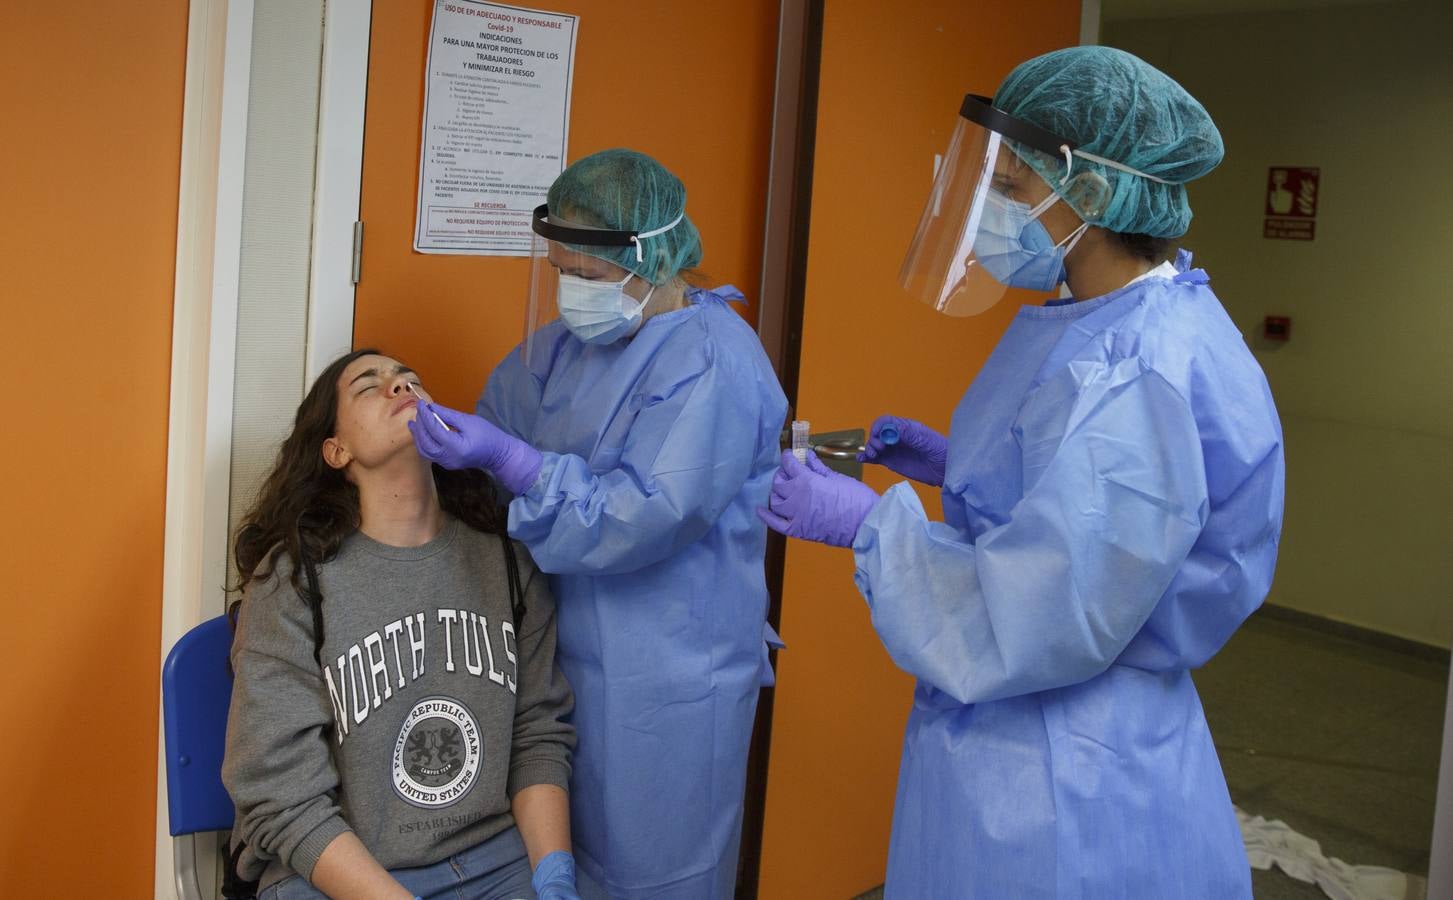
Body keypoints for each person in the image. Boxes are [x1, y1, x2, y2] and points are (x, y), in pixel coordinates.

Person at [760, 47, 1284, 898]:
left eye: (1008, 188)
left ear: (1091, 193)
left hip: (1062, 772)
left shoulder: (1131, 371)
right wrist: (963, 471)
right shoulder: (1118, 315)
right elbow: (1094, 515)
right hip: (1050, 736)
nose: (989, 211)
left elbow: (1044, 614)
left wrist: (869, 526)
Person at [409, 149, 789, 899]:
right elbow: (497, 429)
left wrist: (516, 464)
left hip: (670, 676)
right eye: (559, 271)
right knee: (559, 854)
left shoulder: (713, 362)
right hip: (560, 660)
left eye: (585, 274)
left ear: (648, 259)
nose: (569, 292)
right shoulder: (564, 347)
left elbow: (643, 514)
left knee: (656, 872)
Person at [224, 349, 583, 900]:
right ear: (336, 450)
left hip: (495, 859)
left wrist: (553, 874)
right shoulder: (295, 583)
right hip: (342, 873)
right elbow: (282, 796)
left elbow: (536, 735)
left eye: (410, 378)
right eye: (370, 386)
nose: (400, 386)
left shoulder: (508, 562)